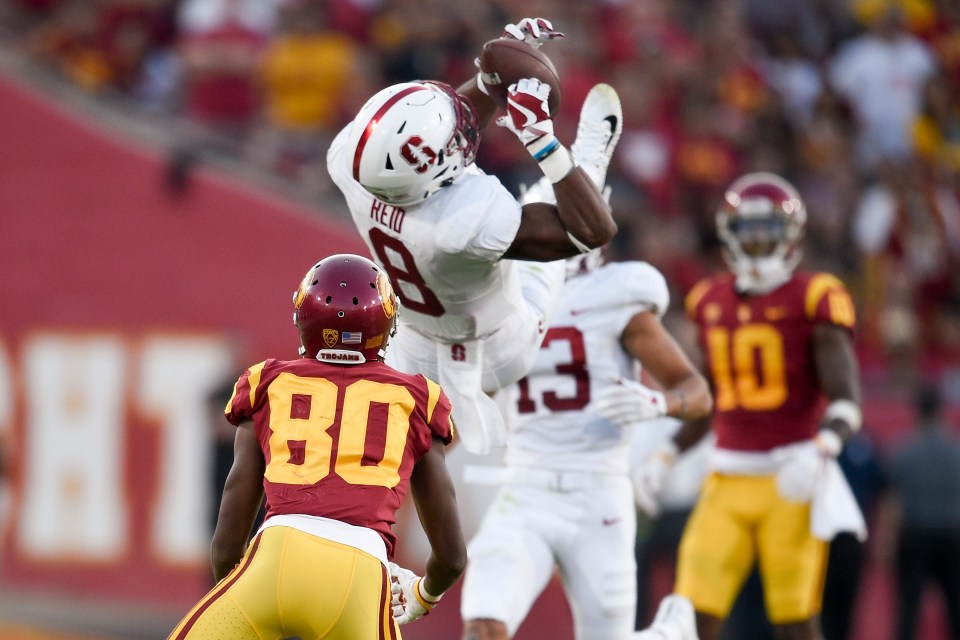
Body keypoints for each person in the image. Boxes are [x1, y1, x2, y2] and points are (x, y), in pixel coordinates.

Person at [326, 17, 621, 455]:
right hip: (497, 350)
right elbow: (593, 231)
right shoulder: (465, 218)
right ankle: (589, 161)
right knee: (548, 260)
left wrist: (491, 78)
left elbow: (436, 141)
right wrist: (541, 140)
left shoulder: (351, 163)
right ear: (439, 170)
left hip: (409, 343)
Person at [612, 173, 865, 640]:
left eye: (768, 230)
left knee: (794, 622)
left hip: (791, 476)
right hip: (726, 478)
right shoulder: (710, 302)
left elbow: (847, 399)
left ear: (791, 235)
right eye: (749, 232)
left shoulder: (815, 296)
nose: (758, 242)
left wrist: (823, 446)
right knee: (691, 611)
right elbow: (709, 400)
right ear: (729, 235)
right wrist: (666, 454)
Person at [167, 254, 466, 639]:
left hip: (273, 557)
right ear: (386, 324)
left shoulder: (267, 382)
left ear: (303, 316)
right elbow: (451, 557)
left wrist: (246, 596)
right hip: (359, 577)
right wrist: (423, 595)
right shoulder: (418, 399)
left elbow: (227, 543)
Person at [458, 228, 713, 639]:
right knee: (483, 625)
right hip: (524, 490)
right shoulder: (507, 301)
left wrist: (659, 404)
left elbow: (696, 392)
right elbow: (471, 400)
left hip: (597, 497)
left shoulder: (617, 298)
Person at [880, 382, 960, 640]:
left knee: (908, 609)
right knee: (956, 607)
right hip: (953, 535)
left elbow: (892, 504)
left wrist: (886, 544)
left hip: (914, 537)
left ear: (918, 412)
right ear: (941, 411)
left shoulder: (903, 452)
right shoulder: (956, 453)